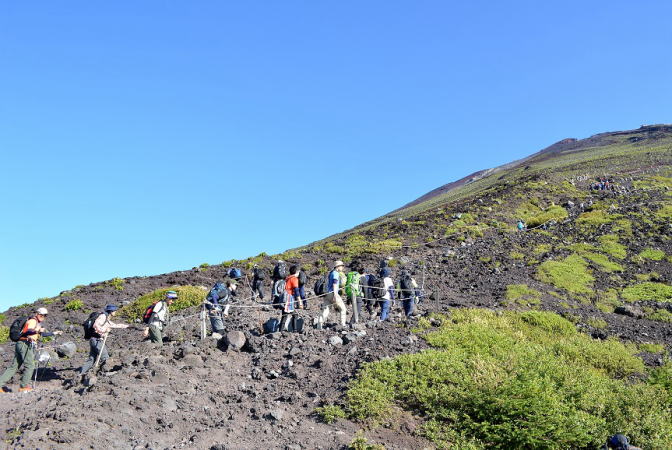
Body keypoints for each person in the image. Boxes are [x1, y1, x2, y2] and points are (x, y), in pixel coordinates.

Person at [0, 307, 61, 393]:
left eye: (44, 315)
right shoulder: (33, 321)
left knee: (14, 366)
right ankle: (23, 387)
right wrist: (37, 330)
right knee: (30, 365)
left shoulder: (36, 323)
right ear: (37, 314)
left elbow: (41, 334)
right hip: (25, 344)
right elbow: (27, 332)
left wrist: (54, 333)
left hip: (21, 344)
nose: (43, 317)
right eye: (41, 315)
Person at [79, 304, 129, 378]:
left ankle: (80, 374)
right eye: (115, 311)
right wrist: (104, 330)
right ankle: (105, 375)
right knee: (105, 357)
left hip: (94, 340)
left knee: (91, 359)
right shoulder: (103, 317)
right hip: (97, 340)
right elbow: (95, 325)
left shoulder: (106, 319)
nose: (116, 312)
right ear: (111, 311)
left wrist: (128, 326)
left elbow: (114, 325)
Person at [317, 260, 347, 328]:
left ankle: (319, 325)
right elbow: (335, 284)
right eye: (342, 266)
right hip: (333, 293)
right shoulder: (336, 273)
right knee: (343, 309)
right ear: (338, 267)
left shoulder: (331, 273)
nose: (342, 268)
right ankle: (343, 325)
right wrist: (335, 295)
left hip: (327, 294)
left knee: (326, 310)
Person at [280, 265, 301, 331]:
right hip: (289, 298)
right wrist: (300, 302)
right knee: (291, 315)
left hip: (284, 297)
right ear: (296, 272)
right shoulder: (294, 279)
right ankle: (294, 330)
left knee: (285, 314)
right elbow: (296, 291)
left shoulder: (288, 278)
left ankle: (281, 330)